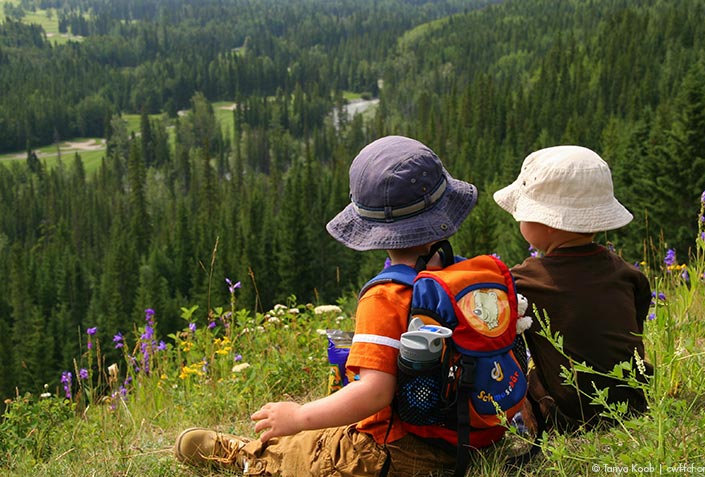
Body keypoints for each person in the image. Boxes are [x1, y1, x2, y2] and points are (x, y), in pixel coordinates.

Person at [173, 135, 479, 476]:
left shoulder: (386, 296)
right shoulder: (469, 275)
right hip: (473, 438)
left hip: (403, 453)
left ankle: (249, 458)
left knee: (317, 452)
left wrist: (298, 416)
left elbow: (376, 393)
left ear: (374, 227)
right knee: (325, 430)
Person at [492, 145, 652, 433]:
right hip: (633, 405)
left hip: (567, 418)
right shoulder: (629, 275)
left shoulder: (523, 282)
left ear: (549, 223)